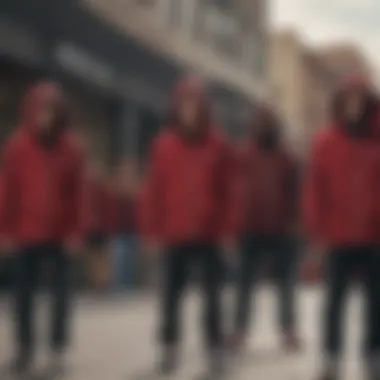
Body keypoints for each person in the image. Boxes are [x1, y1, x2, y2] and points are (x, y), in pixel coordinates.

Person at [139, 75, 238, 379]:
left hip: (209, 233)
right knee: (169, 297)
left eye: (195, 105)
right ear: (176, 108)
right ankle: (169, 349)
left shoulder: (219, 144)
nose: (189, 111)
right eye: (184, 105)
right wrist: (152, 231)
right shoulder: (163, 145)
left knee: (212, 299)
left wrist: (227, 231)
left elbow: (230, 192)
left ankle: (214, 352)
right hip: (174, 231)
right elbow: (153, 190)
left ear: (203, 108)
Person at [0, 81, 88, 377]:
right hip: (25, 232)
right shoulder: (17, 147)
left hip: (61, 236)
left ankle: (58, 349)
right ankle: (24, 349)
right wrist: (5, 230)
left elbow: (79, 194)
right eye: (41, 109)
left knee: (61, 297)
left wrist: (76, 231)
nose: (45, 116)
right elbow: (7, 191)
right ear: (31, 111)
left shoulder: (72, 149)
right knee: (22, 296)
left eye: (51, 110)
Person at [303, 76, 380, 380]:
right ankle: (331, 355)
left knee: (377, 303)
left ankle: (373, 355)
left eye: (359, 99)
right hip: (337, 234)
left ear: (368, 103)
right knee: (334, 302)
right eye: (348, 99)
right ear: (340, 103)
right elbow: (314, 189)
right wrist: (317, 231)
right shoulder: (325, 141)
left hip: (375, 236)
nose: (354, 106)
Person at [229, 105, 302, 353]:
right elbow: (233, 190)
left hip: (280, 228)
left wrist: (295, 222)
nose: (264, 127)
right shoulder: (242, 155)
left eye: (268, 123)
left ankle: (288, 328)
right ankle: (240, 328)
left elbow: (296, 192)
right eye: (261, 122)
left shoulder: (287, 158)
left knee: (286, 284)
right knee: (244, 283)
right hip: (249, 227)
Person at [106, 158, 139, 291]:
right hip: (117, 234)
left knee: (128, 254)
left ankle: (127, 285)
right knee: (119, 253)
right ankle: (119, 286)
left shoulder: (138, 196)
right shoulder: (112, 195)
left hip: (135, 233)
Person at [86, 163, 109, 292]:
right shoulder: (92, 188)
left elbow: (105, 208)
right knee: (95, 256)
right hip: (93, 225)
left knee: (99, 255)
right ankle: (98, 282)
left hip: (99, 225)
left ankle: (101, 282)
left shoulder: (99, 189)